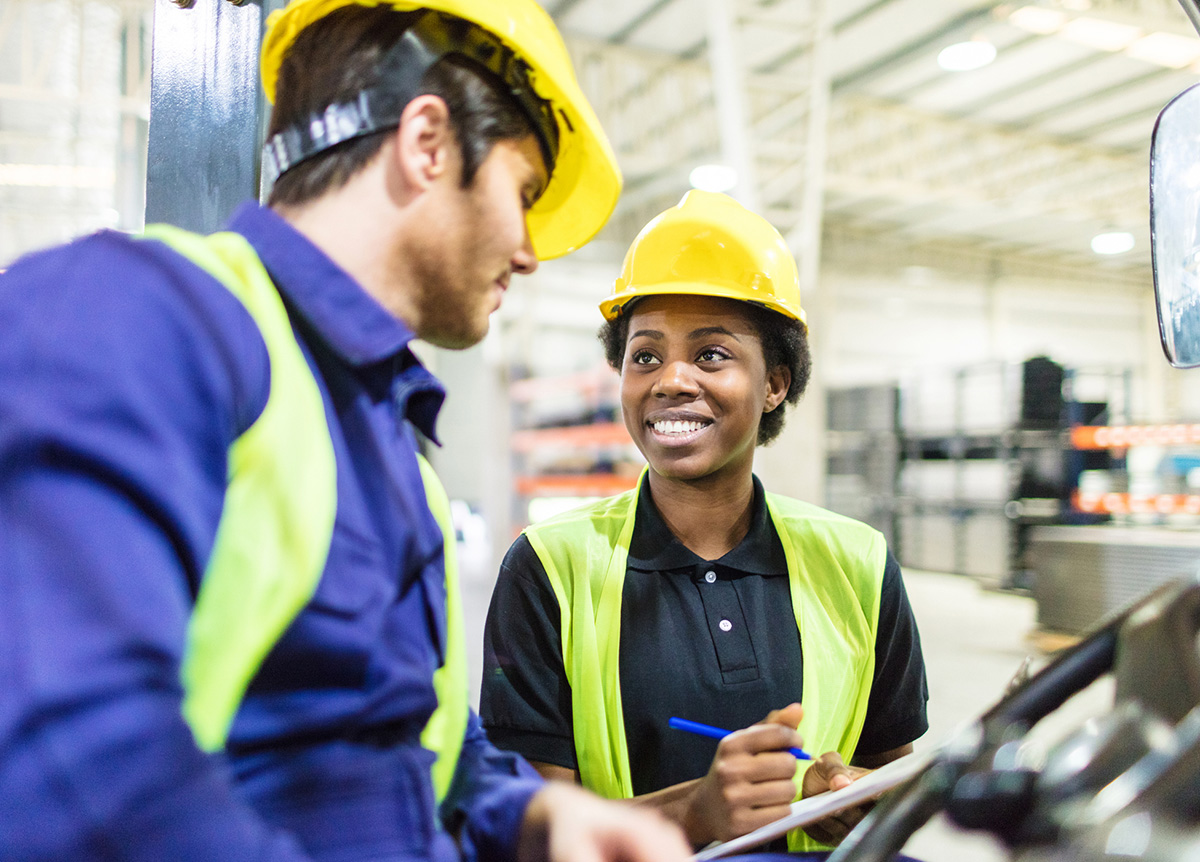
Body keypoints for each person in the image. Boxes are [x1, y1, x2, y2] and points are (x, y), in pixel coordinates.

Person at [0, 2, 694, 861]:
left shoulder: (393, 456)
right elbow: (73, 769)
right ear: (428, 142)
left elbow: (423, 748)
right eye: (521, 194)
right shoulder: (137, 317)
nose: (528, 253)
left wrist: (528, 813)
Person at [480, 191, 930, 854]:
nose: (671, 381)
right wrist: (696, 810)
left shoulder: (857, 561)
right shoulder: (549, 567)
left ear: (775, 382)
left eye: (712, 355)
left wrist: (857, 797)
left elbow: (896, 771)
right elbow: (529, 830)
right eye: (646, 356)